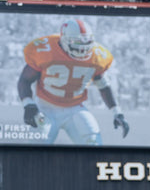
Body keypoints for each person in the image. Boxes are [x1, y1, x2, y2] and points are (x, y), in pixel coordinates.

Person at [18, 18, 130, 146]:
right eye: (77, 44)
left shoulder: (97, 56)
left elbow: (102, 84)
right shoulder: (46, 50)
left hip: (75, 108)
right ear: (64, 40)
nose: (82, 50)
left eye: (86, 44)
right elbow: (25, 80)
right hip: (45, 107)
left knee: (95, 146)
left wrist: (117, 112)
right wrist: (28, 104)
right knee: (35, 153)